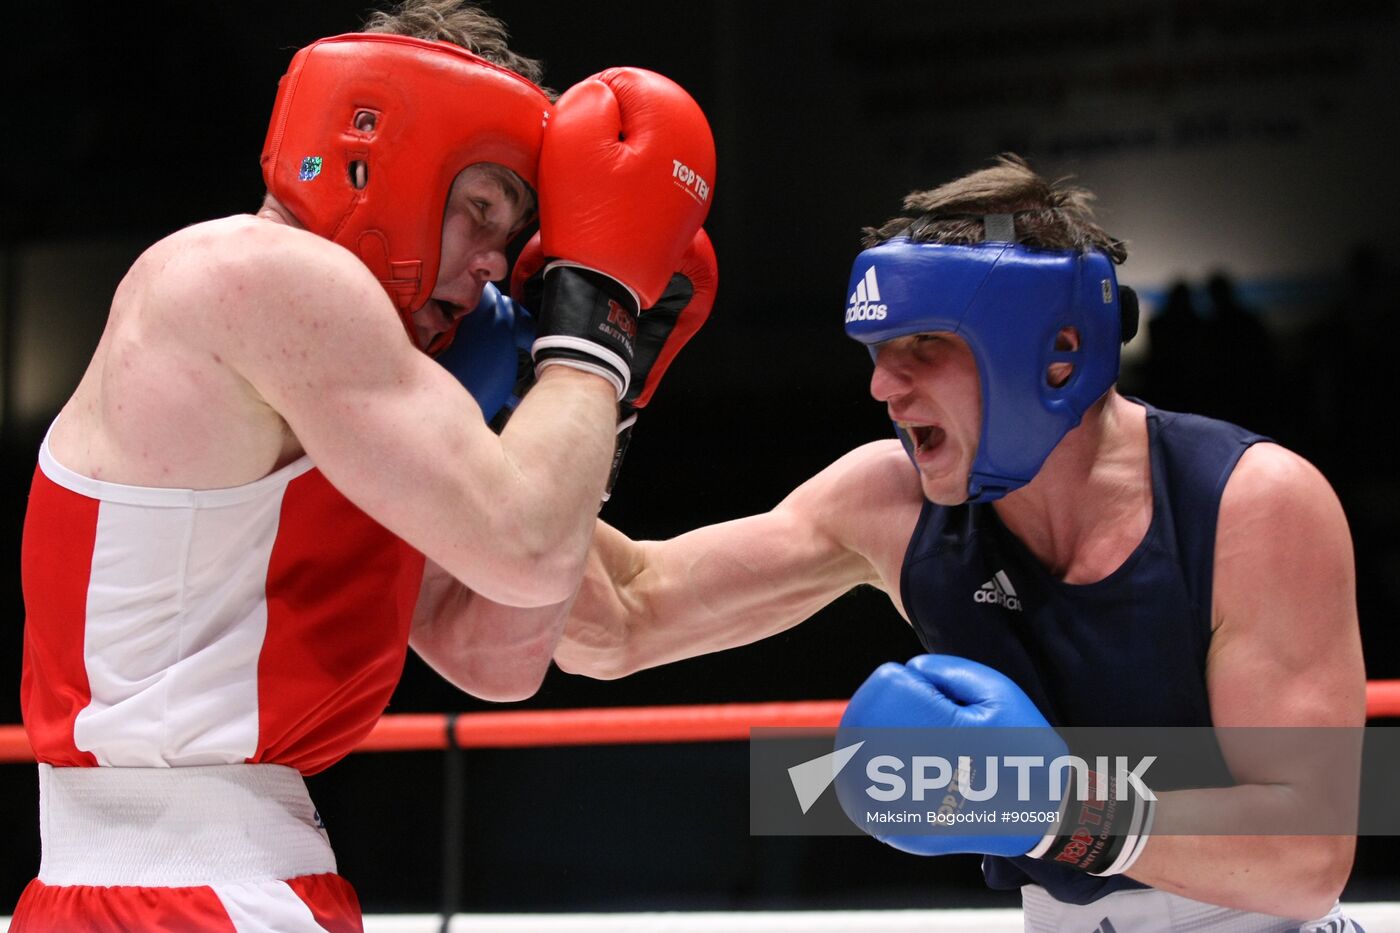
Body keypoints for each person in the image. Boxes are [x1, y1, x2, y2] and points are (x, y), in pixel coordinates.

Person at [14, 0, 716, 929]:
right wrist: (595, 322)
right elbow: (526, 548)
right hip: (191, 892)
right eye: (481, 210)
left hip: (192, 879)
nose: (497, 270)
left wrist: (603, 405)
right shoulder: (265, 273)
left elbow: (491, 652)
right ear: (376, 159)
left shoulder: (326, 403)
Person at [556, 155, 1366, 930]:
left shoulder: (1250, 504)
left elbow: (1306, 856)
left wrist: (1059, 811)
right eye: (879, 351)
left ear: (1055, 354)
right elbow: (619, 618)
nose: (882, 385)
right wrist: (564, 384)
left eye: (924, 346)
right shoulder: (890, 501)